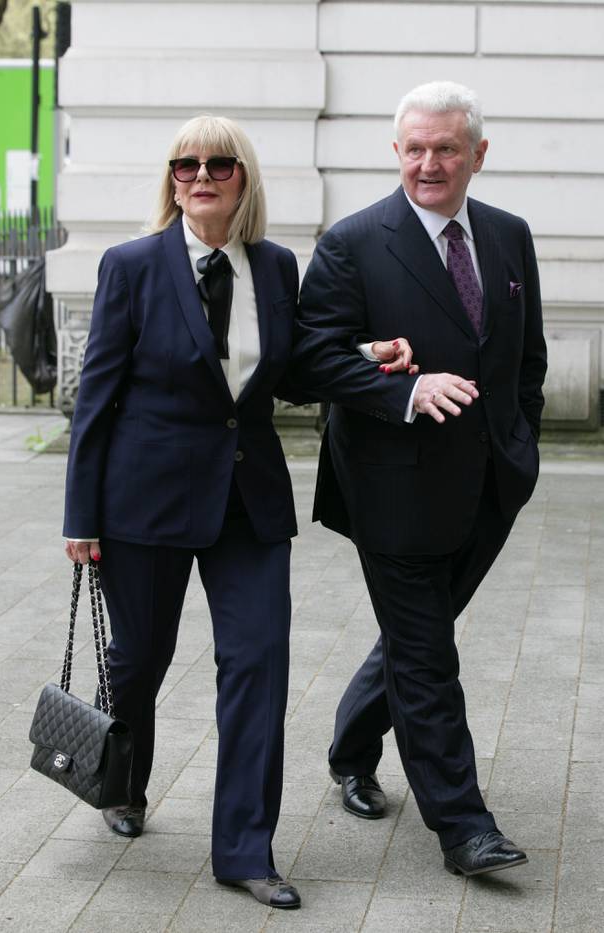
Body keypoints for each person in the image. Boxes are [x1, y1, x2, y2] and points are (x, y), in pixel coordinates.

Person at [292, 81, 547, 877]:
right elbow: (313, 360)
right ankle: (464, 826)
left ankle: (349, 746)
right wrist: (403, 388)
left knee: (414, 636)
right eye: (414, 148)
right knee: (429, 654)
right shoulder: (354, 242)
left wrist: (523, 443)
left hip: (491, 487)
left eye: (445, 148)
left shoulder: (509, 235)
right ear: (396, 151)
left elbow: (526, 358)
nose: (428, 163)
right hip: (393, 490)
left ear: (477, 153)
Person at [63, 115, 306, 909]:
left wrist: (364, 358)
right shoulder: (131, 265)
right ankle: (122, 784)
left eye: (219, 164)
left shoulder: (275, 267)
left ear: (245, 176)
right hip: (146, 500)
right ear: (171, 179)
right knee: (138, 661)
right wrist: (81, 516)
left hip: (248, 500)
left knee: (259, 661)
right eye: (185, 164)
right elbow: (96, 394)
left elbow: (288, 368)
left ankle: (243, 849)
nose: (201, 175)